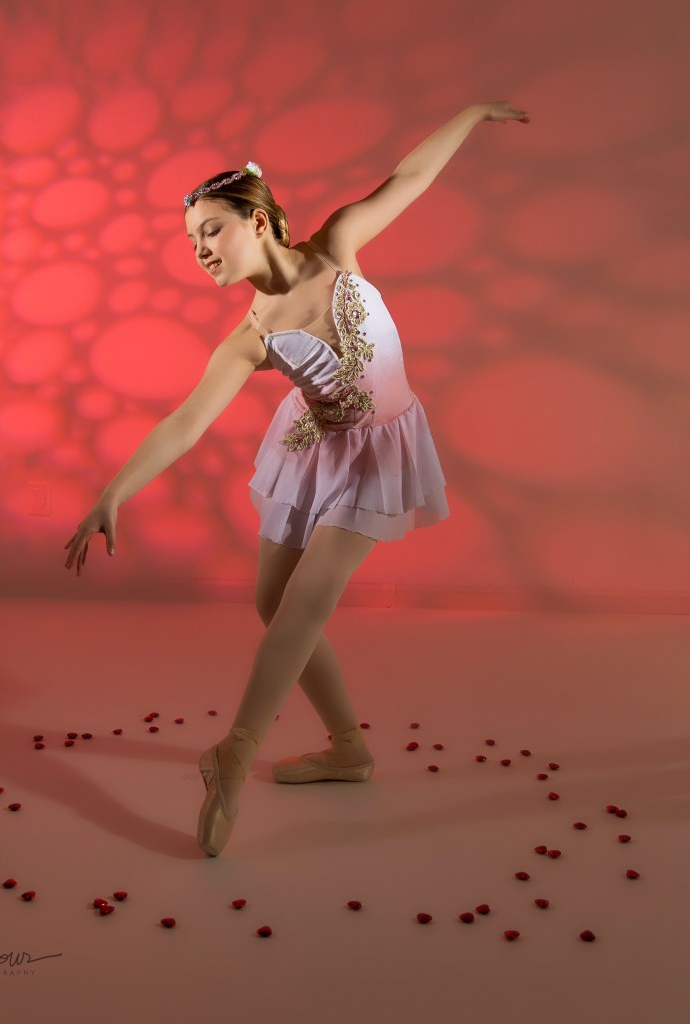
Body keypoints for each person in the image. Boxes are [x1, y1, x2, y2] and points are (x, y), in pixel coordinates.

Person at [64, 100, 531, 857]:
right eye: (189, 242)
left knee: (303, 606)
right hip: (316, 447)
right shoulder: (250, 338)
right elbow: (185, 421)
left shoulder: (338, 245)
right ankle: (348, 751)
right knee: (269, 599)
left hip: (377, 453)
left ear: (257, 220)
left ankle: (236, 752)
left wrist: (471, 113)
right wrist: (111, 492)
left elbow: (408, 176)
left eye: (208, 230)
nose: (199, 251)